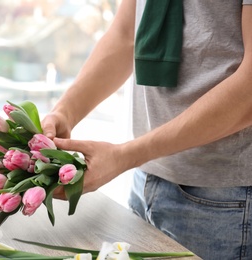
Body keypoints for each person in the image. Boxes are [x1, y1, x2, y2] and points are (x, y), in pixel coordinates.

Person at [41, 0, 252, 259]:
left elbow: (249, 91)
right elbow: (126, 35)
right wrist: (65, 111)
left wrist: (126, 156)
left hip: (225, 199)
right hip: (146, 178)